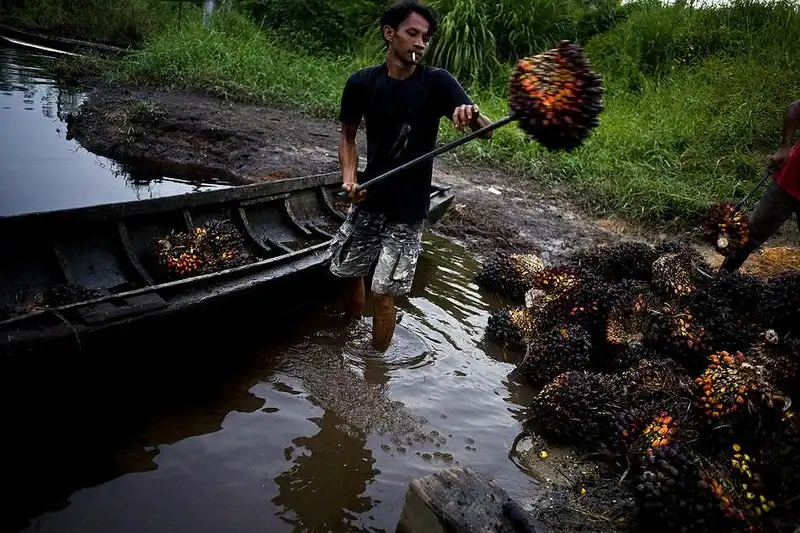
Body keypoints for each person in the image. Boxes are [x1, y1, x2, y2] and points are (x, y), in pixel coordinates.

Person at [328, 0, 493, 351]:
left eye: (426, 38)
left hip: (408, 207)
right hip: (370, 196)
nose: (420, 43)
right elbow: (348, 137)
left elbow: (487, 131)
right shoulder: (361, 83)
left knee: (383, 290)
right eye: (413, 33)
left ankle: (375, 366)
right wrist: (349, 179)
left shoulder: (437, 82)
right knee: (349, 272)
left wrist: (473, 114)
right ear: (390, 34)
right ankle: (347, 340)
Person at [720, 99, 800, 272]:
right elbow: (796, 107)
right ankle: (721, 279)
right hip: (791, 179)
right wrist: (785, 146)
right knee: (752, 234)